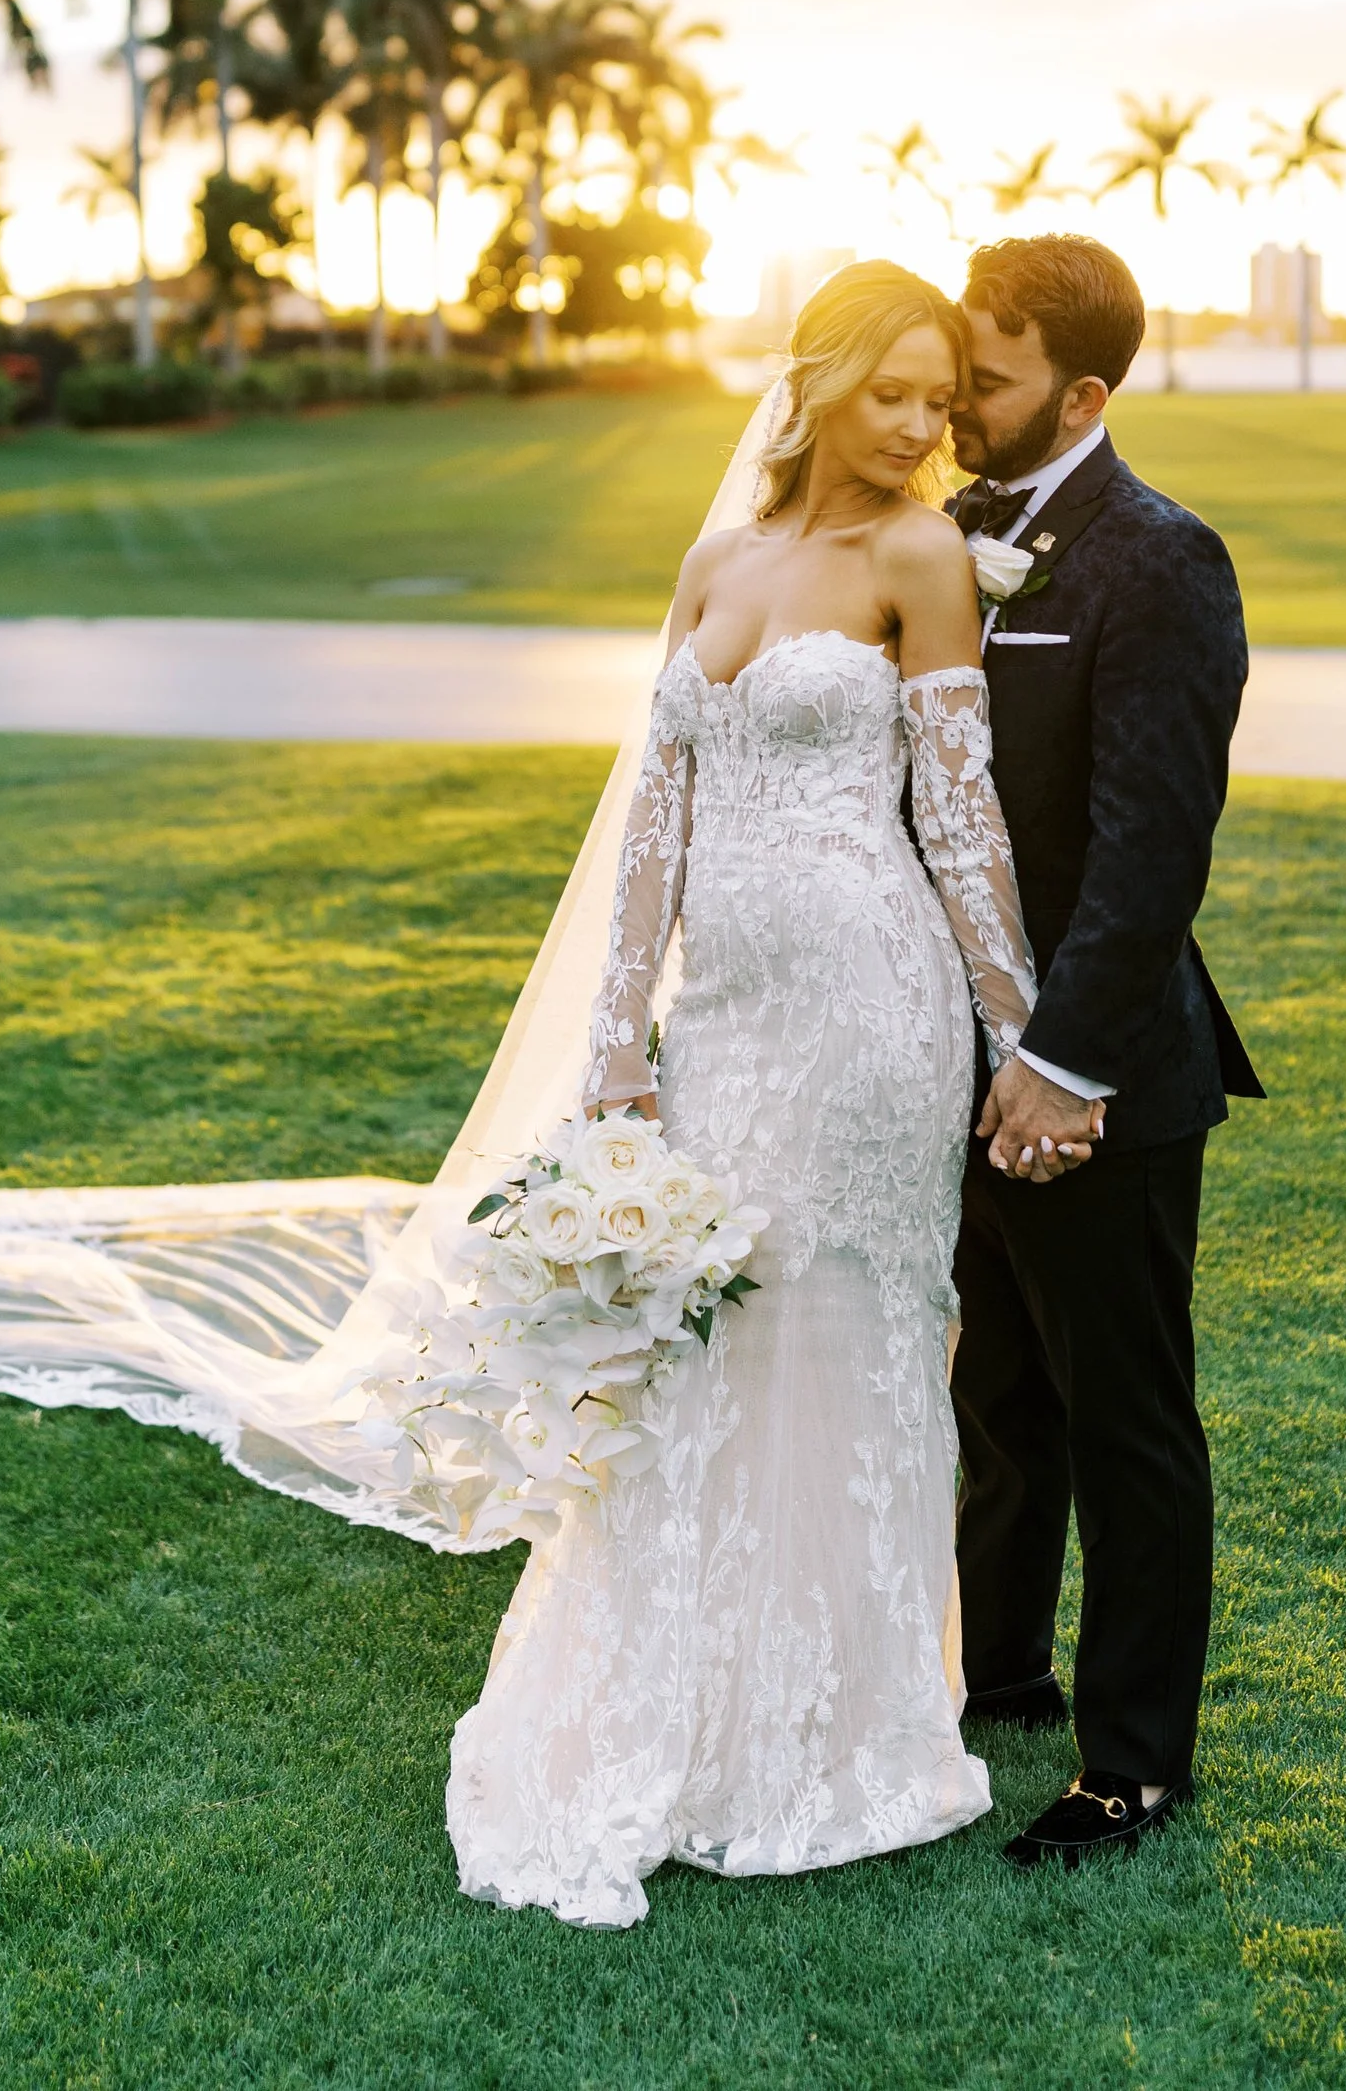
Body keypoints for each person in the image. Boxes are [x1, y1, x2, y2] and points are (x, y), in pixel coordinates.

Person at [446, 260, 1049, 1925]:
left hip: (870, 1016)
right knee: (707, 1345)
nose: (925, 427)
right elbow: (655, 818)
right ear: (821, 380)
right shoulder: (718, 561)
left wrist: (1026, 1037)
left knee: (842, 1330)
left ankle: (843, 1730)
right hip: (722, 1022)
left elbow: (963, 816)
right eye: (895, 394)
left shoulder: (922, 558)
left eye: (943, 400)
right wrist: (619, 1044)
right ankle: (690, 1705)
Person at [943, 232, 1258, 1867]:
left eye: (984, 383)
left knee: (1126, 1418)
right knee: (996, 1398)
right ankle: (991, 1680)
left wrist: (1061, 1066)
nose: (954, 404)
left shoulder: (1159, 560)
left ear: (1080, 390)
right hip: (946, 1058)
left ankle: (1130, 1767)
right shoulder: (937, 537)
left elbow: (1150, 850)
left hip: (1101, 1078)